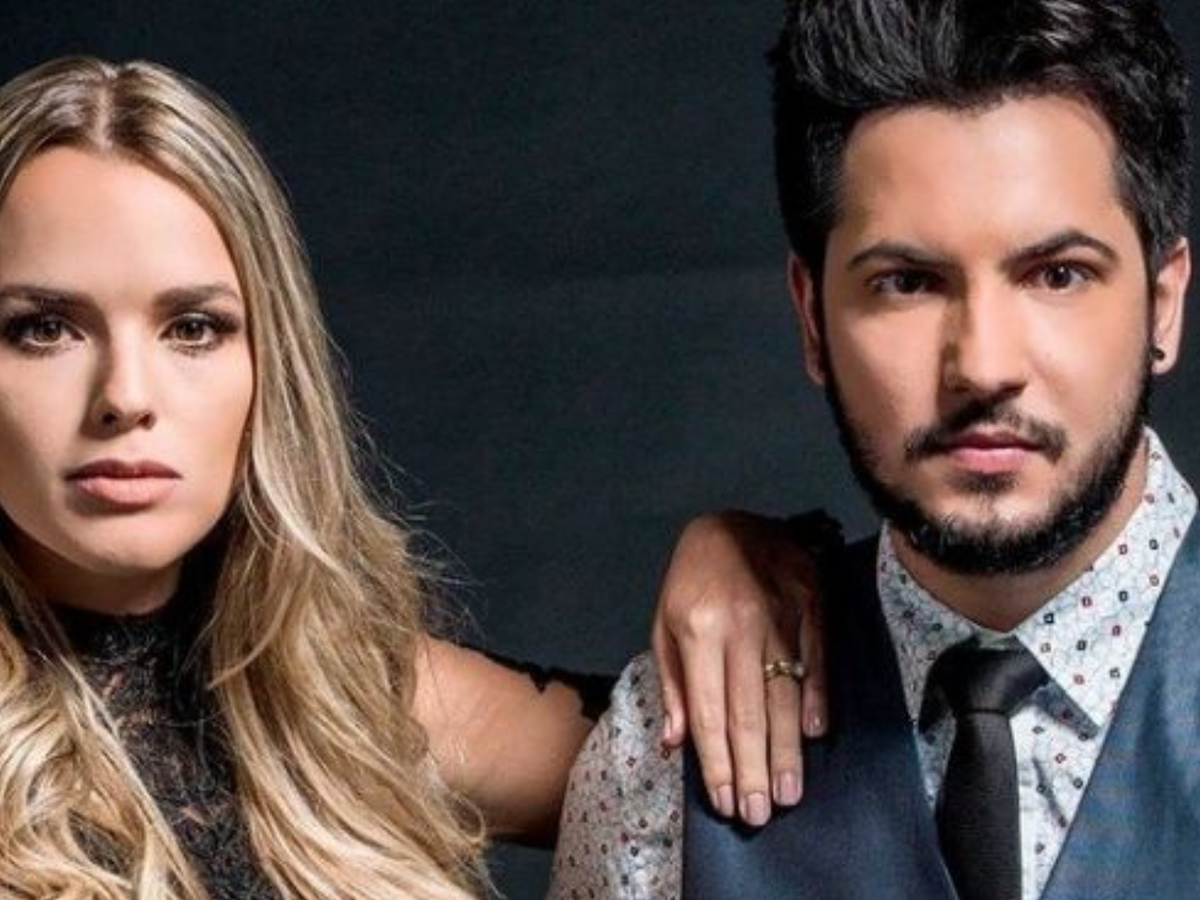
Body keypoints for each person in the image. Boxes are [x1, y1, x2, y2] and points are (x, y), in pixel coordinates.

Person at [0, 56, 829, 900]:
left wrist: (736, 556)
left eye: (192, 327)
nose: (126, 397)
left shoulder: (342, 693)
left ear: (267, 363)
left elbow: (719, 769)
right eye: (42, 329)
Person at [550, 0, 1199, 898]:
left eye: (1057, 275)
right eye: (907, 283)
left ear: (1162, 304)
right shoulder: (664, 760)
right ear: (811, 317)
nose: (984, 366)